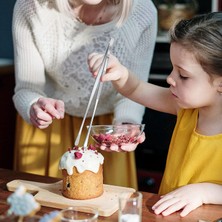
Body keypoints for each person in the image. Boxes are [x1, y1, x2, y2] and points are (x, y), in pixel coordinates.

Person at [12, 0, 157, 189]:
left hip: (107, 130)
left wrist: (127, 125)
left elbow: (134, 89)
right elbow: (26, 89)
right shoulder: (31, 6)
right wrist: (33, 105)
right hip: (47, 128)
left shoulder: (142, 11)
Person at [88, 12, 222, 216]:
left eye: (183, 75)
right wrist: (120, 73)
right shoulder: (185, 108)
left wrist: (205, 192)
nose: (170, 78)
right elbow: (135, 89)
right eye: (173, 69)